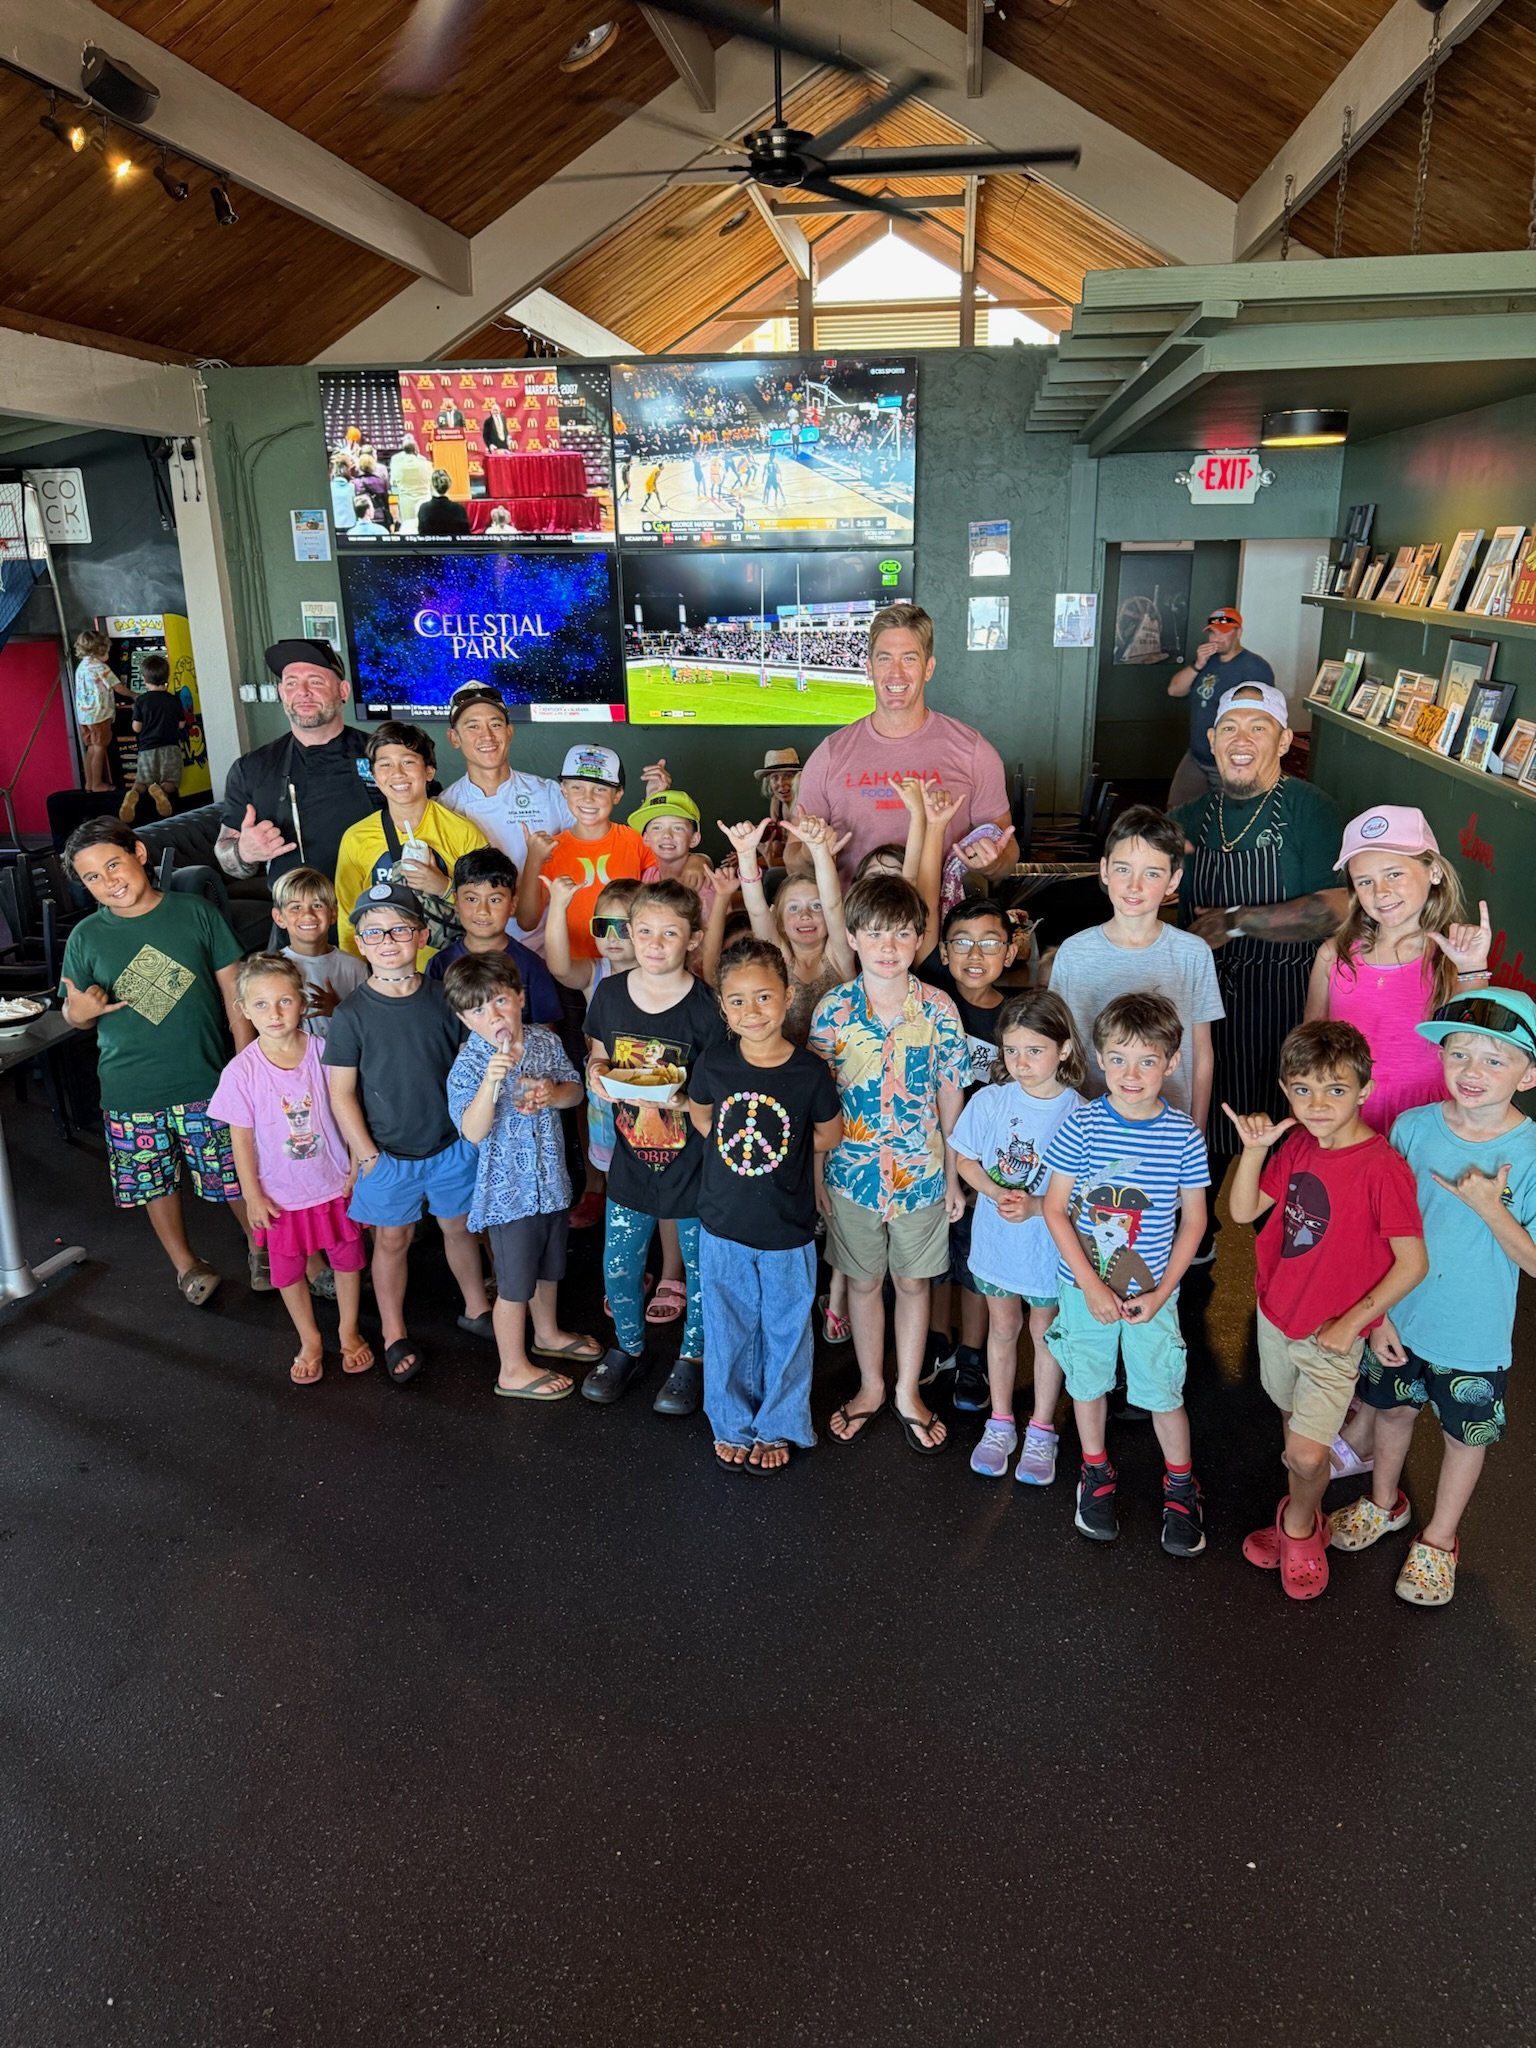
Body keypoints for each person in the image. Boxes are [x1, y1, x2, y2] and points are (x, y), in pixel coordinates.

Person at [1332, 991, 1536, 1605]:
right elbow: (1378, 1227)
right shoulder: (1414, 1127)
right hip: (1402, 1317)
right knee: (1391, 1414)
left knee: (1461, 1440)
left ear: (1529, 1074)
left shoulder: (1530, 1152)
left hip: (1474, 1336)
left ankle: (1440, 1537)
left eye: (1495, 1061)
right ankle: (1384, 1502)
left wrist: (1489, 1208)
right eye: (1459, 1054)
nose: (1472, 1072)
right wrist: (1379, 1315)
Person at [1226, 1019, 1426, 1602]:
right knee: (1295, 1438)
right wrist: (1253, 1151)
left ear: (1364, 1090)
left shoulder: (1383, 1168)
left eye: (1335, 1090)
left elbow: (1412, 1264)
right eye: (1303, 1090)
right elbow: (1242, 1213)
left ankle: (1299, 1528)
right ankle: (1301, 1501)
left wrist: (1351, 1322)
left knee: (1309, 1451)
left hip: (1330, 1338)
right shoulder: (1297, 1145)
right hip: (1276, 1315)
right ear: (1286, 1090)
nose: (1317, 1105)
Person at [59, 819, 257, 1305]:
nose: (109, 881)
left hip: (207, 1078)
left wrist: (246, 1064)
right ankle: (185, 1265)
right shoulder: (85, 937)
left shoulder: (195, 913)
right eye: (92, 878)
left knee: (234, 1174)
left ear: (140, 854)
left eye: (113, 864)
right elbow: (74, 1009)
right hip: (131, 1089)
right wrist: (77, 1015)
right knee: (155, 1183)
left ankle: (263, 1247)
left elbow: (236, 995)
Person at [1041, 993, 1210, 1556]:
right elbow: (1055, 1209)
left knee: (1162, 1390)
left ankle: (1181, 1485)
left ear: (1172, 1061)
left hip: (1152, 1296)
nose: (1130, 1074)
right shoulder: (1082, 1125)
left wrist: (1162, 1293)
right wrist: (1090, 1286)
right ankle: (1095, 1471)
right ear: (1097, 1058)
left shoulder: (1183, 1134)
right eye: (1117, 1059)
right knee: (1087, 1384)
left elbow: (1195, 1222)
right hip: (1083, 1289)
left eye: (1146, 1060)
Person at [1172, 682, 1347, 1223]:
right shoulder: (1191, 816)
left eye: (1258, 727)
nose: (1241, 740)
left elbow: (1338, 906)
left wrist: (1238, 921)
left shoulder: (1310, 809)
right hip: (1204, 1008)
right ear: (1212, 739)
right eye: (1229, 728)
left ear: (1283, 739)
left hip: (1284, 1010)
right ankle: (1190, 1258)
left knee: (1284, 1161)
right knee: (1197, 1151)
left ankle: (1285, 1264)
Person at [809, 874, 967, 1456]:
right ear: (852, 937)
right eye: (874, 933)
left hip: (920, 1173)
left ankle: (907, 1389)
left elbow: (951, 1094)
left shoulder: (939, 1009)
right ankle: (871, 1385)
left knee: (912, 1281)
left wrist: (952, 1174)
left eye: (902, 934)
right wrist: (817, 1175)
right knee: (863, 1280)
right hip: (849, 1175)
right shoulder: (833, 1010)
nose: (888, 946)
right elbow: (816, 1102)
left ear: (919, 940)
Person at [323, 882, 494, 1385]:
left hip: (449, 1146)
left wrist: (469, 1137)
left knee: (459, 1228)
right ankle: (394, 1329)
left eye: (399, 928)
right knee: (392, 1241)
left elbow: (472, 1065)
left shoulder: (446, 1000)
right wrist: (368, 1155)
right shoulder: (350, 1015)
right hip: (387, 1155)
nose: (387, 939)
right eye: (374, 931)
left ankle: (476, 1306)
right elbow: (341, 1094)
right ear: (360, 942)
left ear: (421, 936)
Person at [688, 937, 843, 1472]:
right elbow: (703, 1118)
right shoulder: (714, 1064)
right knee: (727, 1325)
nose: (751, 1012)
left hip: (788, 1226)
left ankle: (778, 1424)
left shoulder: (808, 1072)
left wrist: (789, 1147)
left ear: (787, 995)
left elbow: (829, 1133)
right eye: (737, 1001)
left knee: (785, 1326)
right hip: (723, 1224)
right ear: (722, 1007)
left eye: (763, 998)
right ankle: (730, 1422)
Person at [582, 880, 730, 1415]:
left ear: (692, 939)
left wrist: (683, 1096)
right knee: (619, 1264)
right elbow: (598, 1054)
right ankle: (629, 1346)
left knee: (698, 1268)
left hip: (693, 1166)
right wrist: (598, 1073)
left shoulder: (708, 1009)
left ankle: (692, 1358)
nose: (654, 942)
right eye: (643, 931)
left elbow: (718, 1098)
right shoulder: (611, 994)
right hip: (630, 1161)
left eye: (670, 933)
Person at [444, 952, 602, 1398]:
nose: (492, 1015)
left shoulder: (544, 1044)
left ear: (520, 998)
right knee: (514, 1286)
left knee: (550, 1268)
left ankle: (547, 1333)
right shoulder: (470, 1066)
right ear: (464, 1019)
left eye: (499, 1001)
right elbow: (472, 1132)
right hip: (507, 1196)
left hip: (551, 1184)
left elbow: (575, 1093)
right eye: (477, 1010)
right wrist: (491, 1085)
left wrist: (553, 1093)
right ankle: (511, 1369)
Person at [209, 954, 370, 1384]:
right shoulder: (241, 1072)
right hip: (281, 1196)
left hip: (335, 1185)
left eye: (284, 1001)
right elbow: (239, 1140)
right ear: (242, 1009)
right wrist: (253, 1195)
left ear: (302, 1002)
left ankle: (348, 1330)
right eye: (260, 1005)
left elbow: (347, 1108)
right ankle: (310, 1339)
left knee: (349, 1261)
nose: (274, 1013)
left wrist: (356, 1164)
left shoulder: (324, 1052)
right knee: (288, 1270)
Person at [951, 991, 1087, 1483]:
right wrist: (992, 1189)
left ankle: (1042, 1428)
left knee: (1045, 1333)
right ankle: (1002, 1421)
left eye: (1035, 1050)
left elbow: (1087, 1191)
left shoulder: (1079, 1112)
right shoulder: (991, 1099)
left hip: (1048, 1248)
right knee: (1002, 1328)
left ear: (1065, 1050)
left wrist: (1035, 1205)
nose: (1021, 1062)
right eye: (1011, 1050)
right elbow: (965, 1157)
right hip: (997, 1243)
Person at [791, 604, 1017, 883]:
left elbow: (1007, 853)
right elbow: (794, 864)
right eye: (885, 659)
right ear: (869, 669)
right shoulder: (828, 755)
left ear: (928, 668)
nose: (896, 674)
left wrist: (992, 862)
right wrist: (810, 853)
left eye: (909, 659)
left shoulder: (973, 751)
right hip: (853, 924)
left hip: (941, 923)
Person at [438, 684, 670, 950]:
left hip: (551, 952)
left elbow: (604, 834)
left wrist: (655, 807)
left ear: (509, 732)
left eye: (495, 724)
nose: (486, 736)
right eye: (472, 726)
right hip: (480, 949)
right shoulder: (445, 808)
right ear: (454, 738)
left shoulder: (548, 793)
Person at [1304, 805, 1493, 1131]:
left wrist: (1472, 968)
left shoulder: (1452, 958)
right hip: (1346, 1120)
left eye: (1394, 873)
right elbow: (1310, 1052)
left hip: (1428, 1122)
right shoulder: (1333, 957)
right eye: (1365, 881)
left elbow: (1477, 1048)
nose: (1381, 892)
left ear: (1433, 871)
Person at [1048, 803, 1224, 1130]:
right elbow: (1058, 1046)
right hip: (1089, 1127)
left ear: (1174, 881)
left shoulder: (1193, 954)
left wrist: (1196, 1129)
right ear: (1104, 870)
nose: (1134, 886)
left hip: (1169, 1128)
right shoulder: (1073, 953)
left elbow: (1202, 1053)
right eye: (1123, 869)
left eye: (1152, 873)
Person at [921, 894, 1024, 1411]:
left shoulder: (1014, 1020)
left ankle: (972, 1355)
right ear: (942, 951)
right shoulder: (929, 1002)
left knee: (976, 1264)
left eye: (990, 942)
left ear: (1010, 952)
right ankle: (935, 1342)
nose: (975, 954)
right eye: (961, 942)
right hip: (925, 1155)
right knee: (934, 1259)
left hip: (986, 1169)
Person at [217, 640, 381, 892]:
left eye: (315, 681)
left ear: (343, 691)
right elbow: (226, 854)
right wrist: (244, 852)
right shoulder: (251, 768)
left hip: (380, 917)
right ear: (282, 692)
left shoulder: (383, 756)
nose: (303, 692)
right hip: (297, 921)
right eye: (292, 683)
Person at [334, 721, 487, 960]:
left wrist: (443, 887)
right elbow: (347, 917)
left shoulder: (462, 832)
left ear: (429, 771)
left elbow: (487, 908)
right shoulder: (356, 838)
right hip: (386, 973)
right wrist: (355, 972)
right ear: (374, 775)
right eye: (385, 765)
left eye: (408, 762)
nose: (397, 773)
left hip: (456, 968)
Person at [514, 746, 649, 965]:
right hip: (570, 970)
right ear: (563, 790)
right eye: (577, 787)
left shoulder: (636, 841)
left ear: (618, 794)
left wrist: (699, 860)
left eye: (600, 789)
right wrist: (534, 860)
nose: (588, 798)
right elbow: (527, 921)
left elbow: (670, 877)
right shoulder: (551, 849)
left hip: (629, 967)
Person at [425, 849, 563, 1027]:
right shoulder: (440, 964)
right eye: (472, 899)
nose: (483, 910)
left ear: (512, 905)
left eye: (495, 900)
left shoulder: (531, 965)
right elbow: (433, 1027)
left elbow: (547, 1033)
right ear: (456, 902)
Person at [1165, 606, 1275, 808]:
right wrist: (1197, 664)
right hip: (1197, 756)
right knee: (1176, 812)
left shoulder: (1255, 667)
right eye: (1213, 633)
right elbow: (1174, 690)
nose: (1216, 638)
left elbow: (1263, 718)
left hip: (1231, 759)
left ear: (1238, 633)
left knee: (1227, 819)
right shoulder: (1207, 662)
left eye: (1223, 633)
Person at [270, 867, 366, 1039]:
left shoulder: (355, 967)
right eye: (296, 907)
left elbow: (368, 1025)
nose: (308, 914)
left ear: (333, 914)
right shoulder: (271, 969)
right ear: (279, 918)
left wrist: (338, 1011)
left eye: (317, 905)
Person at [120, 653, 184, 823]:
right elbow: (181, 725)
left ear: (144, 679)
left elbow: (136, 727)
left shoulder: (141, 701)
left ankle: (133, 794)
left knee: (142, 780)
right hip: (170, 747)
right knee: (171, 780)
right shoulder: (173, 700)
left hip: (147, 749)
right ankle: (161, 791)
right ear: (167, 676)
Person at [73, 627, 133, 794]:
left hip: (84, 716)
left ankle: (89, 784)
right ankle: (98, 784)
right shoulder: (100, 668)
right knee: (100, 748)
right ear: (100, 650)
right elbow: (118, 687)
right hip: (100, 715)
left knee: (91, 748)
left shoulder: (82, 666)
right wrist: (135, 695)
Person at [388, 435, 433, 534]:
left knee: (408, 529)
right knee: (424, 528)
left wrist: (394, 501)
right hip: (424, 499)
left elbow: (393, 484)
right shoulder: (426, 464)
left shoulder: (398, 466)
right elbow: (431, 483)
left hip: (405, 501)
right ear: (416, 449)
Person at [416, 469, 470, 538]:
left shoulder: (424, 509)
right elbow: (466, 537)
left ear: (431, 485)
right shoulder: (459, 509)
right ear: (449, 484)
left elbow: (422, 537)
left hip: (431, 548)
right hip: (454, 548)